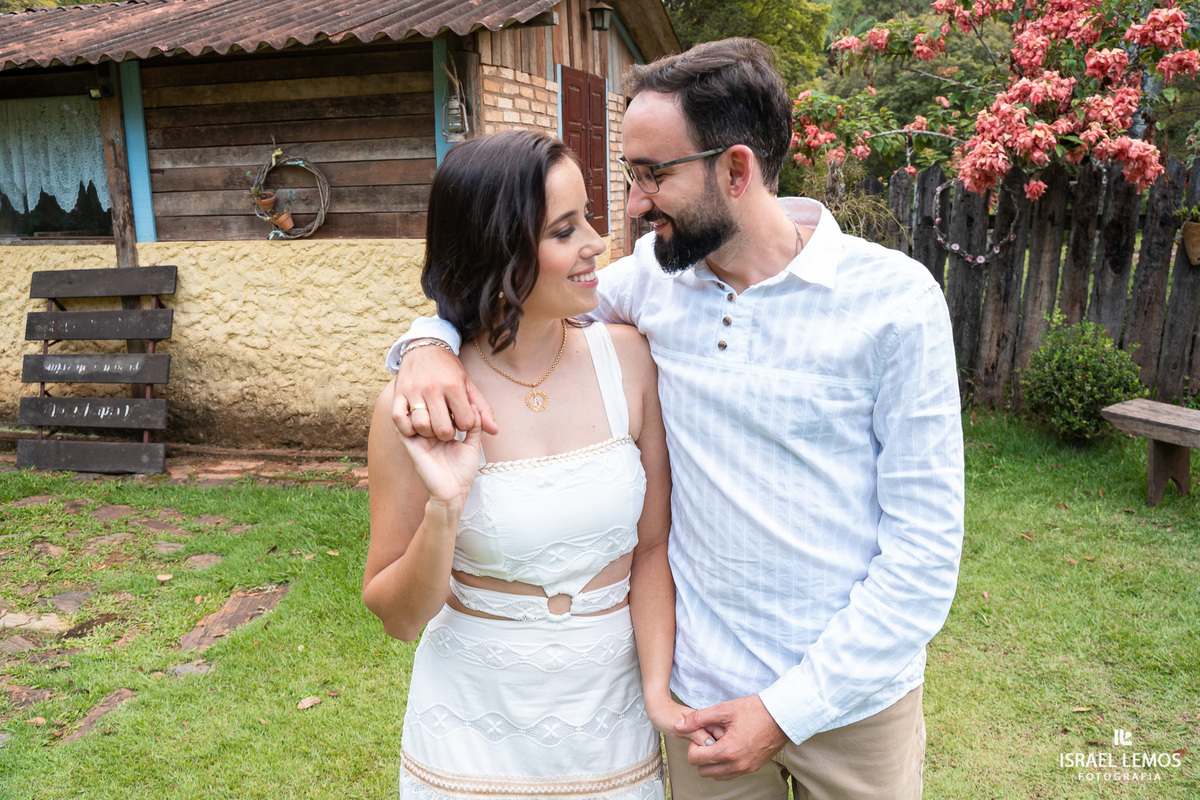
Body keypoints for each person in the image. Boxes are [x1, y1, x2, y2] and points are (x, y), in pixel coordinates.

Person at [385, 38, 965, 800]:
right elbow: (512, 289)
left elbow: (923, 557)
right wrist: (426, 342)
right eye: (630, 176)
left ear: (735, 169)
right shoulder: (651, 286)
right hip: (701, 697)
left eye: (653, 175)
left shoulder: (894, 302)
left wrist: (786, 711)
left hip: (853, 705)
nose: (631, 205)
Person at [363, 130, 692, 799]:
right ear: (499, 249)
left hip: (611, 728)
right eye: (565, 230)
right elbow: (399, 618)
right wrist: (445, 510)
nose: (597, 242)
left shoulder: (628, 361)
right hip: (468, 737)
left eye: (589, 220)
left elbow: (653, 547)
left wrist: (656, 695)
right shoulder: (419, 404)